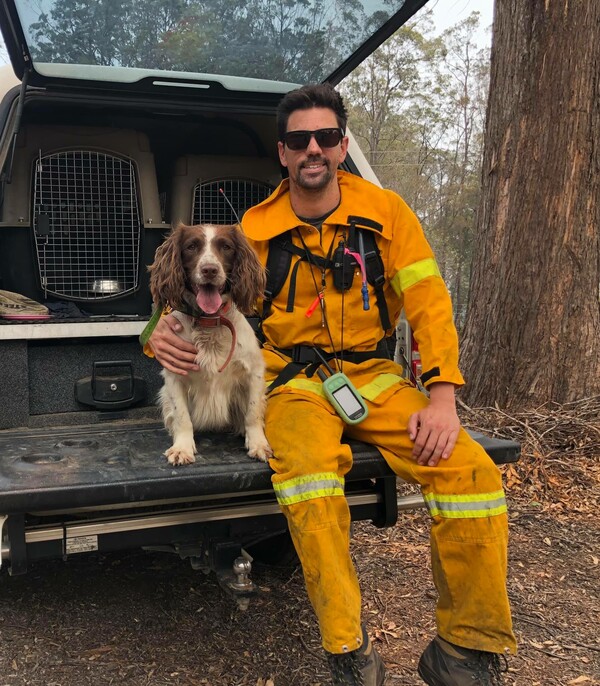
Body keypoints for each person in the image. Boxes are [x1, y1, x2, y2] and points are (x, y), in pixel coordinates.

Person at [147, 84, 516, 686]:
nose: (312, 149)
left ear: (343, 145)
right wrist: (152, 335)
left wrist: (443, 397)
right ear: (283, 153)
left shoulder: (388, 212)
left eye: (324, 137)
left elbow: (429, 303)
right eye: (299, 140)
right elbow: (186, 298)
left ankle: (465, 653)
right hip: (291, 382)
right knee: (312, 483)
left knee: (471, 472)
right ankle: (348, 651)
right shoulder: (253, 227)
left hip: (376, 379)